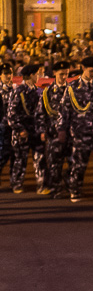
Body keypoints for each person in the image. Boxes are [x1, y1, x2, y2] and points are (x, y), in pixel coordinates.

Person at [58, 57, 93, 205]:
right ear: (83, 68)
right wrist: (62, 129)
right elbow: (65, 109)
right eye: (91, 71)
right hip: (80, 131)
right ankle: (75, 191)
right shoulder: (72, 87)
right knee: (79, 164)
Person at [7, 64, 45, 194]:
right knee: (20, 159)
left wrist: (42, 130)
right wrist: (20, 129)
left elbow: (41, 113)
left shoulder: (38, 91)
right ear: (31, 75)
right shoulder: (18, 91)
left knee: (39, 158)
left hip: (35, 130)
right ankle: (17, 184)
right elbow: (11, 114)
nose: (39, 76)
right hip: (22, 131)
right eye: (37, 74)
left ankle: (41, 185)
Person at [37, 61, 71, 198]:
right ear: (55, 74)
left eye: (66, 74)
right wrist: (42, 131)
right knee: (54, 163)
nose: (64, 77)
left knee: (74, 162)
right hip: (53, 132)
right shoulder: (48, 92)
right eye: (61, 74)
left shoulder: (72, 89)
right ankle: (56, 188)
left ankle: (71, 187)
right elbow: (41, 113)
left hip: (71, 132)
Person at [0, 64, 15, 186]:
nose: (8, 76)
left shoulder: (15, 89)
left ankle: (14, 180)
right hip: (2, 126)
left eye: (10, 73)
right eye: (5, 73)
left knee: (14, 153)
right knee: (3, 153)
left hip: (13, 126)